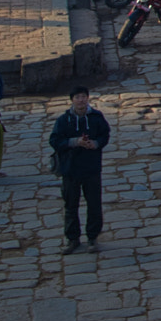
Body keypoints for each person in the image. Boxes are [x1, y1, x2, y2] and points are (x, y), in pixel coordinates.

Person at [49, 87, 110, 253]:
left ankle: (92, 237)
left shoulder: (96, 118)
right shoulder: (64, 120)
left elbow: (105, 135)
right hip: (70, 169)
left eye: (84, 97)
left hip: (91, 168)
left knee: (94, 204)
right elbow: (55, 140)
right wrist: (75, 142)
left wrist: (95, 144)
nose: (81, 100)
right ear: (72, 100)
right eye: (78, 97)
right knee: (70, 205)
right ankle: (72, 239)